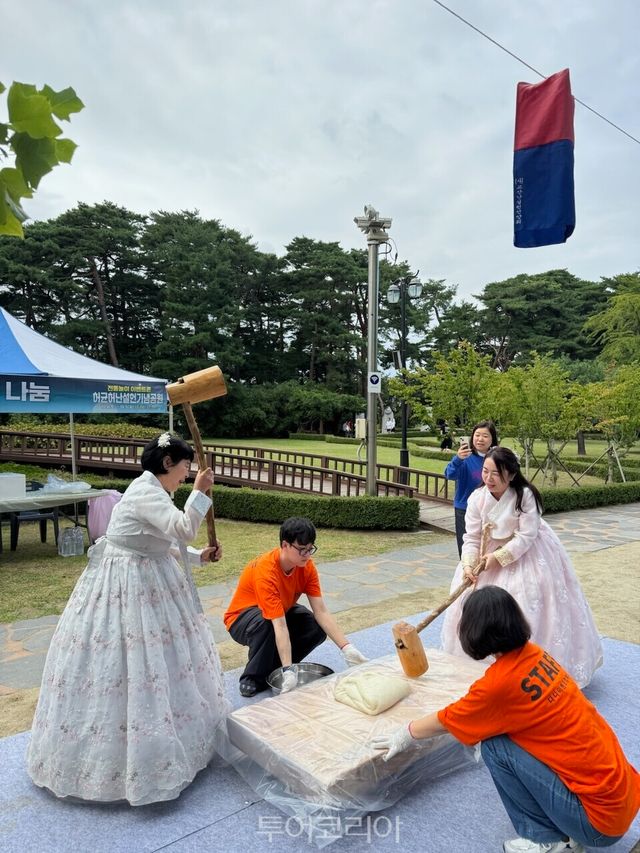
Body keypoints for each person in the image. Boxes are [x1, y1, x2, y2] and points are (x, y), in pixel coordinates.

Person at [27, 433, 230, 806]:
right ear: (167, 463)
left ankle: (171, 739)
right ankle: (119, 761)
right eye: (185, 467)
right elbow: (182, 527)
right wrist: (201, 493)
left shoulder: (156, 492)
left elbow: (162, 542)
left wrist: (198, 557)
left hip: (150, 575)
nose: (187, 475)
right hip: (125, 584)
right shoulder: (144, 492)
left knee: (161, 660)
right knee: (127, 661)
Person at [372, 587, 639, 853]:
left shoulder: (498, 685)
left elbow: (448, 719)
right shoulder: (536, 654)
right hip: (623, 797)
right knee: (507, 734)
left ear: (472, 630)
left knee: (495, 746)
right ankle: (561, 827)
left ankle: (544, 839)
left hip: (597, 825)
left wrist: (407, 732)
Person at [441, 446, 603, 688]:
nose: (489, 478)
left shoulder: (524, 495)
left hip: (526, 552)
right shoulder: (477, 498)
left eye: (496, 473)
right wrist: (468, 565)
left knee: (529, 598)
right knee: (471, 602)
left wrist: (497, 558)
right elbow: (472, 537)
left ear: (512, 474)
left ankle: (532, 672)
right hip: (486, 554)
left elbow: (526, 536)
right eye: (485, 471)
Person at [224, 516, 368, 697]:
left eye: (310, 549)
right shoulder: (266, 571)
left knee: (315, 627)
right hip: (241, 619)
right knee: (267, 624)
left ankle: (275, 668)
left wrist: (347, 648)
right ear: (285, 545)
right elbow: (279, 625)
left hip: (279, 611)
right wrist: (289, 669)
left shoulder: (307, 567)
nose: (307, 555)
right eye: (302, 550)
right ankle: (252, 677)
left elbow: (321, 611)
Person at [444, 419, 498, 556]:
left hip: (492, 510)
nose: (480, 439)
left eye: (485, 436)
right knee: (468, 550)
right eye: (477, 435)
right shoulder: (464, 458)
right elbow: (450, 474)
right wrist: (457, 459)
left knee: (489, 549)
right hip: (465, 509)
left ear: (492, 439)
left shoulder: (497, 460)